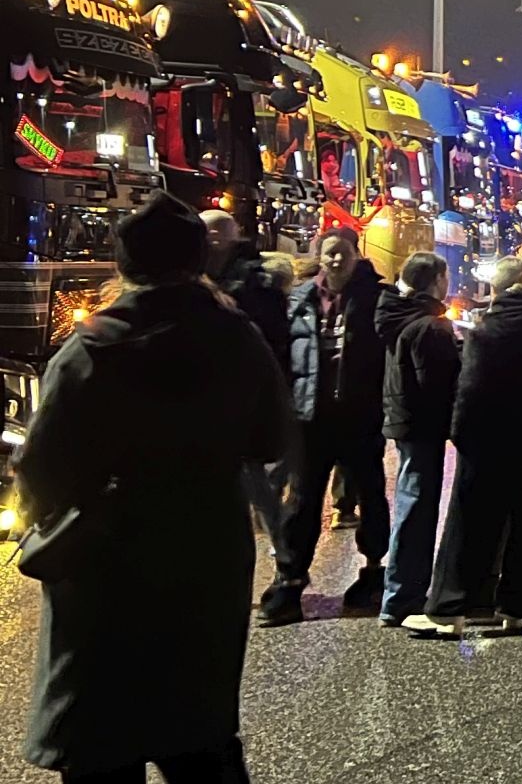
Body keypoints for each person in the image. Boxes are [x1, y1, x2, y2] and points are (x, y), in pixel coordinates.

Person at [16, 193, 292, 784]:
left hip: (106, 555)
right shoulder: (237, 337)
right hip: (207, 546)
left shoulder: (93, 346)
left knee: (101, 735)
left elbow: (40, 465)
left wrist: (56, 516)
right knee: (197, 731)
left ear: (125, 263)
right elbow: (271, 438)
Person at [404, 245, 522, 636]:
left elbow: (471, 390)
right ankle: (516, 607)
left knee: (470, 524)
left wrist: (460, 435)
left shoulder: (489, 328)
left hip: (489, 439)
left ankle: (449, 611)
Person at [259, 227, 390, 627]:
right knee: (301, 502)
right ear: (319, 255)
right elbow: (283, 354)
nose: (336, 259)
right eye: (330, 252)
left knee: (370, 495)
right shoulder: (299, 299)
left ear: (356, 255)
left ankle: (373, 572)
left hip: (360, 417)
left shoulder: (376, 298)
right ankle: (289, 581)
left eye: (343, 252)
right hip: (310, 420)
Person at [374, 251, 462, 626]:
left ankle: (400, 593)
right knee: (417, 507)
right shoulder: (429, 326)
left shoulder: (396, 314)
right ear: (437, 280)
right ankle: (402, 597)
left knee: (412, 500)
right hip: (422, 425)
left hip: (403, 419)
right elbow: (438, 384)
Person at [202, 210, 293, 556]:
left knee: (251, 476)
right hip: (210, 396)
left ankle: (283, 550)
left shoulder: (255, 284)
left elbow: (273, 341)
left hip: (242, 397)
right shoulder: (197, 276)